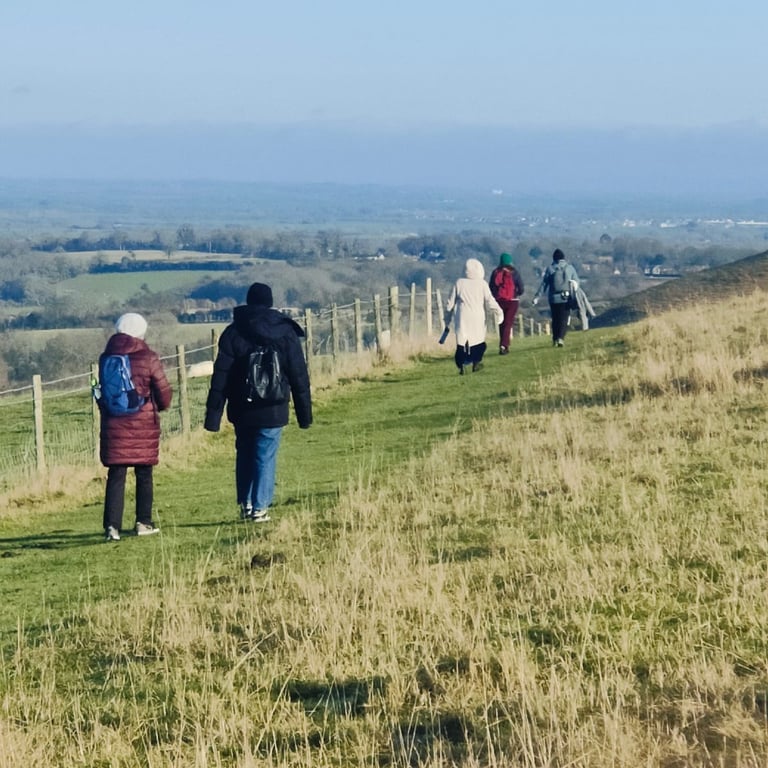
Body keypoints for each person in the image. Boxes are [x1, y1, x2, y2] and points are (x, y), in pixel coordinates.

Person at [204, 282, 312, 522]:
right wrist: (304, 414)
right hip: (274, 407)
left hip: (242, 406)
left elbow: (221, 376)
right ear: (270, 302)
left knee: (244, 453)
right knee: (265, 455)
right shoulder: (285, 332)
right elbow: (298, 375)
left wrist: (213, 416)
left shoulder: (233, 332)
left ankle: (246, 503)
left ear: (249, 301)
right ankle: (260, 507)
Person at [98, 312, 173, 542]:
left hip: (114, 424)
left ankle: (112, 527)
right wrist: (160, 406)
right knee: (144, 474)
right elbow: (163, 391)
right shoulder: (148, 357)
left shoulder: (106, 357)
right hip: (143, 424)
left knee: (116, 475)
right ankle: (143, 522)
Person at [444, 258, 504, 374]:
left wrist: (447, 318)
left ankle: (461, 365)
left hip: (462, 316)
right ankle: (476, 363)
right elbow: (490, 300)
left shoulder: (459, 283)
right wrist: (499, 312)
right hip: (478, 316)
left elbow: (450, 303)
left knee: (461, 342)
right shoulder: (482, 284)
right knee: (478, 341)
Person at [532, 248, 580, 347]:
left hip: (553, 299)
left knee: (555, 319)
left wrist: (537, 297)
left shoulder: (550, 269)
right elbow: (577, 282)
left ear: (554, 258)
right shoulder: (569, 268)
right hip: (566, 298)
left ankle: (555, 339)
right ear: (563, 258)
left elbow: (544, 285)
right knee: (564, 319)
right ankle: (560, 338)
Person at [488, 252, 524, 355]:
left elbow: (491, 287)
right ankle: (504, 345)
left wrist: (496, 296)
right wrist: (515, 293)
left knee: (502, 323)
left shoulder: (495, 272)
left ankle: (503, 345)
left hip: (499, 301)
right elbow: (521, 288)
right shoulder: (515, 272)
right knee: (508, 323)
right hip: (512, 301)